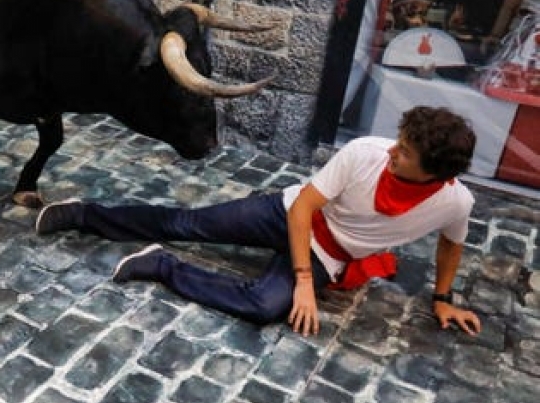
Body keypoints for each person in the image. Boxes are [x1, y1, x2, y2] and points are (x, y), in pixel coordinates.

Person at [35, 106, 482, 336]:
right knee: (185, 225)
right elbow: (304, 208)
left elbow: (452, 243)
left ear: (434, 172)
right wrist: (303, 282)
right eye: (398, 141)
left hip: (330, 253)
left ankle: (162, 266)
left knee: (265, 306)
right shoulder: (365, 152)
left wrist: (443, 298)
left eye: (405, 151)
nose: (392, 151)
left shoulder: (455, 202)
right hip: (287, 213)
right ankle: (83, 214)